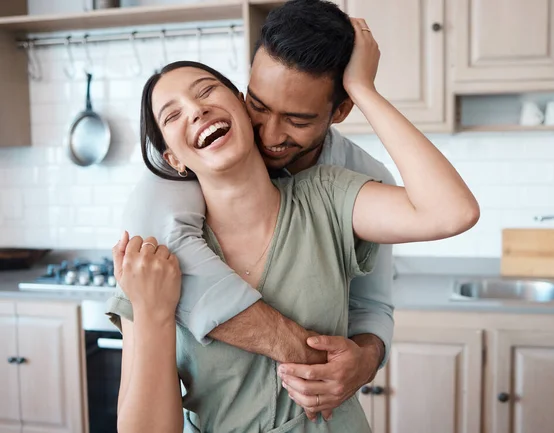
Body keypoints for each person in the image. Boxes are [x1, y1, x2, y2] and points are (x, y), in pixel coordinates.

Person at [106, 16, 479, 433]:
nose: (270, 132)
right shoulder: (150, 252)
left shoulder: (335, 190)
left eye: (207, 91)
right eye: (260, 107)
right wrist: (153, 313)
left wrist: (364, 89)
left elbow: (449, 215)